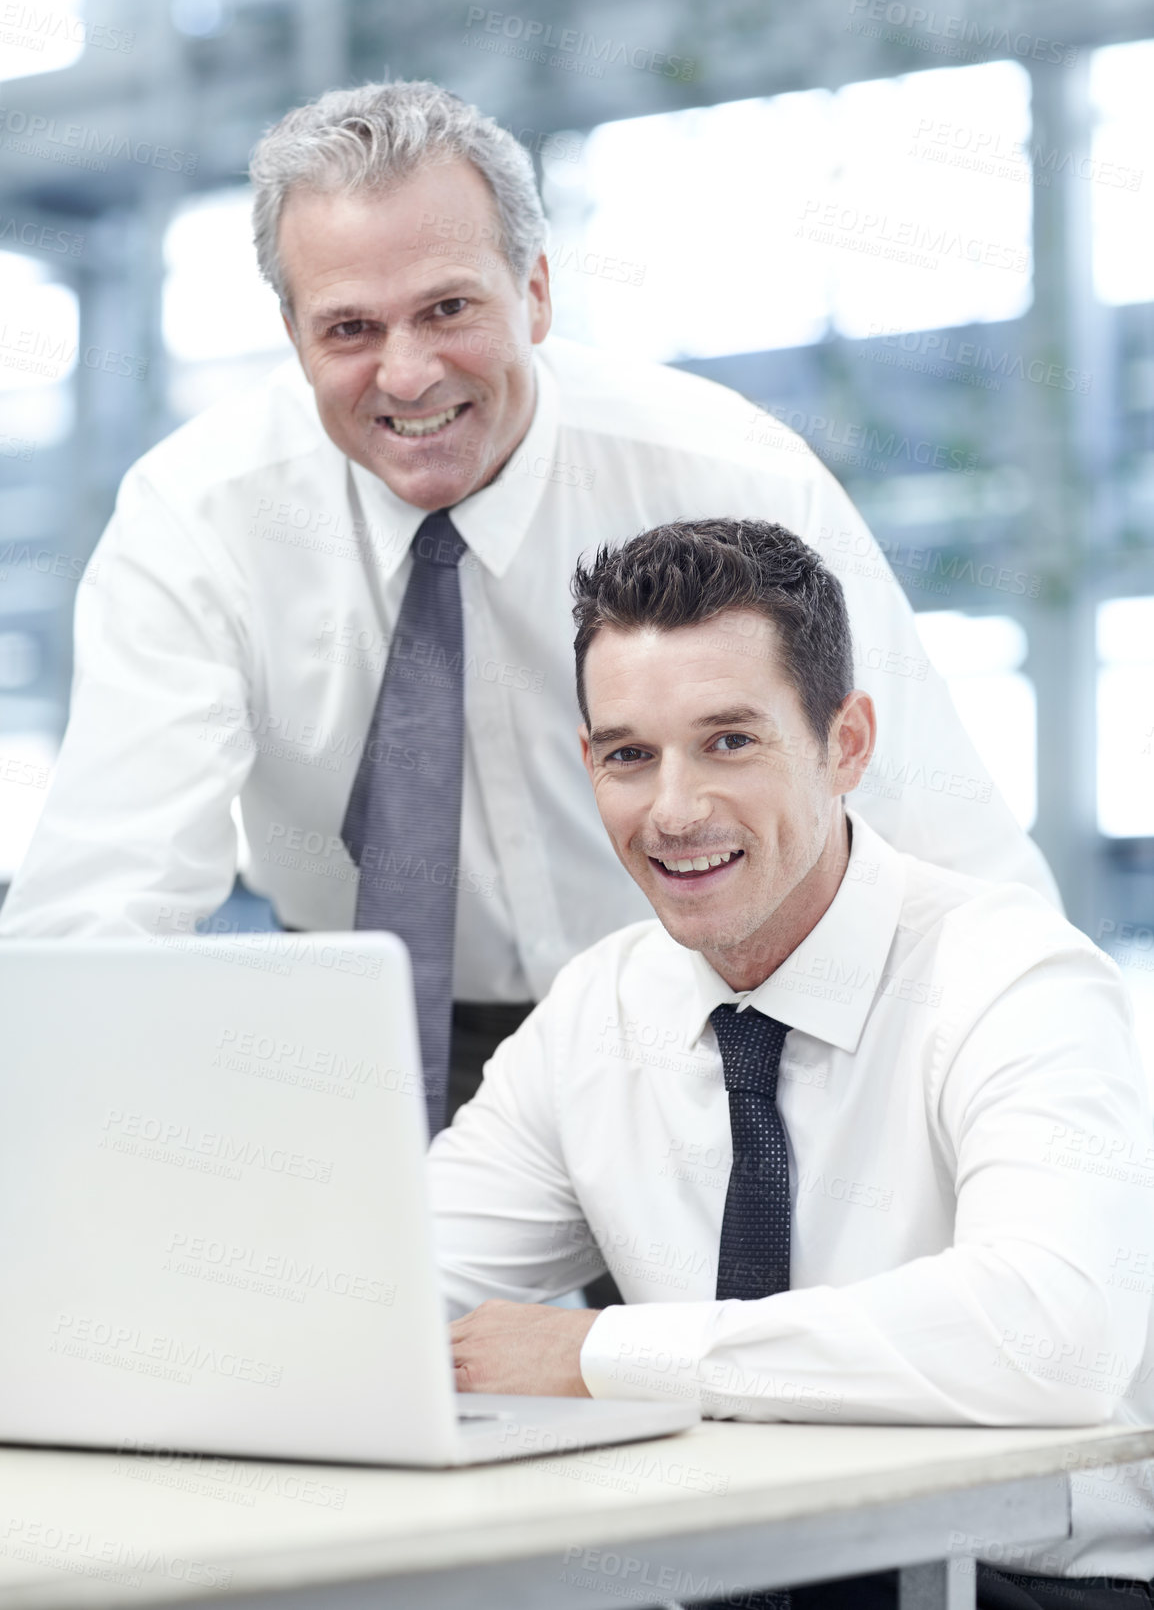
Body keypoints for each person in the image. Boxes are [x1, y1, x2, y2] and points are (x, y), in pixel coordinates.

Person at [0, 80, 1056, 1136]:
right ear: (291, 331)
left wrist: (1043, 1132)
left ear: (536, 291)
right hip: (372, 1033)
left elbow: (943, 845)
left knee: (731, 1305)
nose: (407, 375)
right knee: (367, 1300)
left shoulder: (725, 476)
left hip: (696, 996)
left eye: (448, 308)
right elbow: (102, 913)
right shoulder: (199, 519)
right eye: (350, 328)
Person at [434, 519, 1154, 1608]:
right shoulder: (596, 1008)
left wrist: (606, 1356)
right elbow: (396, 1290)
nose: (673, 810)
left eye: (729, 740)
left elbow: (1049, 1338)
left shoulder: (1012, 977)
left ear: (845, 743)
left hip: (1020, 1580)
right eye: (629, 754)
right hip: (726, 1572)